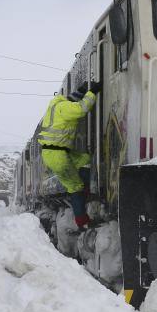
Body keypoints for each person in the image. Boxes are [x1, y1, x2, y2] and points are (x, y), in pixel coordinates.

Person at [37, 80, 101, 228]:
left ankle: (85, 190)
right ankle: (82, 222)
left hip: (59, 152)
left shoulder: (56, 105)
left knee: (84, 159)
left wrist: (82, 90)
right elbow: (81, 108)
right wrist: (92, 93)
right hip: (56, 155)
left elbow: (73, 99)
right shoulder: (64, 107)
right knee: (75, 186)